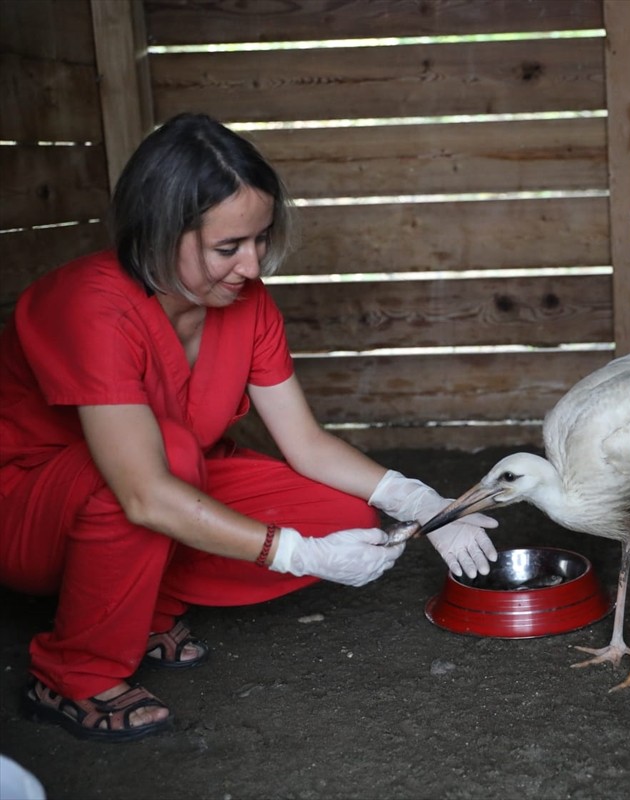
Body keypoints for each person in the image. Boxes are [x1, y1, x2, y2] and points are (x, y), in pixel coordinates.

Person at [0, 112, 498, 743]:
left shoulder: (243, 302)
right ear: (157, 233)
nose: (254, 266)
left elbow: (306, 443)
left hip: (155, 491)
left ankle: (144, 609)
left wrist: (423, 504)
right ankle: (71, 675)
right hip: (28, 514)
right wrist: (292, 553)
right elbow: (143, 492)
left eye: (260, 239)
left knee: (341, 517)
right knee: (175, 457)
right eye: (228, 248)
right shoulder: (91, 305)